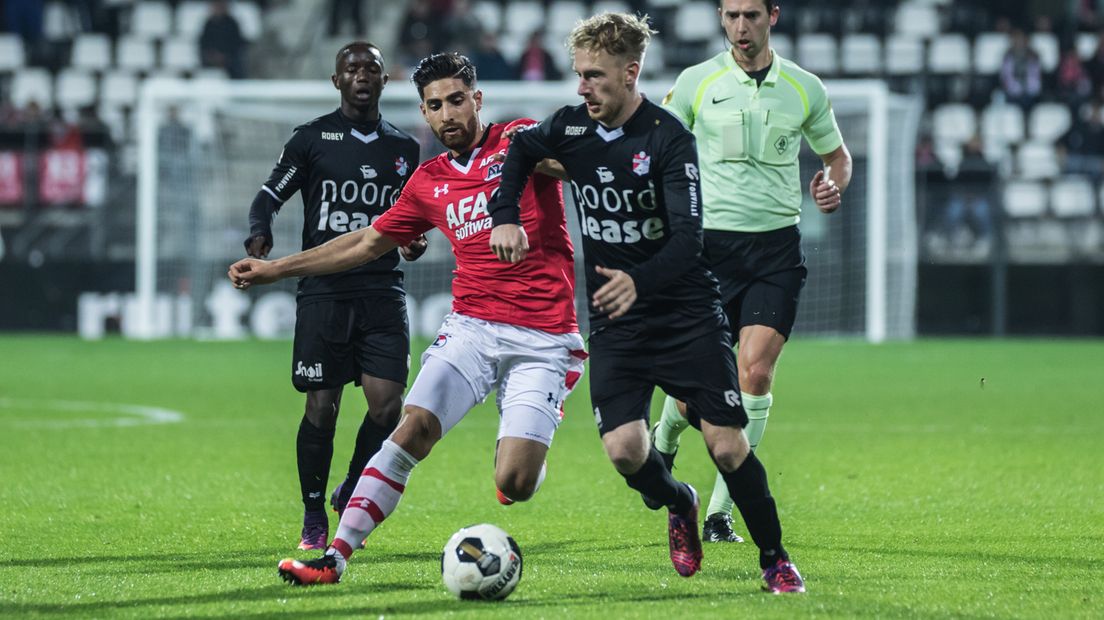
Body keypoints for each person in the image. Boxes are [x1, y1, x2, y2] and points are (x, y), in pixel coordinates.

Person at [229, 52, 585, 586]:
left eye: (457, 101)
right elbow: (367, 242)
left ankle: (523, 436)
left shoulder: (519, 141)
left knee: (516, 483)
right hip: (471, 326)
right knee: (411, 427)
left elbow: (581, 163)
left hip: (543, 335)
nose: (447, 115)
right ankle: (335, 556)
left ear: (478, 99)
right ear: (423, 110)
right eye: (435, 105)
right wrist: (276, 270)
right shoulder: (428, 180)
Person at [488, 12, 804, 593]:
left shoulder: (667, 138)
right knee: (625, 450)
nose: (583, 88)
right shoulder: (571, 128)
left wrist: (642, 280)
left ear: (631, 73)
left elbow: (689, 239)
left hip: (685, 313)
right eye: (579, 75)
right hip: (617, 323)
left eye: (596, 77)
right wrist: (504, 216)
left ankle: (775, 559)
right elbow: (518, 150)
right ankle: (679, 501)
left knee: (728, 447)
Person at [653, 0, 851, 546]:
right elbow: (660, 146)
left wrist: (834, 182)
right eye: (732, 15)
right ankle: (667, 428)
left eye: (752, 16)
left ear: (773, 17)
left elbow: (837, 155)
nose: (742, 27)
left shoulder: (805, 87)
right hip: (707, 252)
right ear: (721, 18)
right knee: (698, 390)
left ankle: (720, 512)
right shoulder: (697, 82)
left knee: (754, 377)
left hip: (775, 253)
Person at [241, 41, 423, 552]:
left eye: (372, 68)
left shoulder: (404, 148)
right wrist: (260, 232)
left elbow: (409, 220)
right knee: (322, 409)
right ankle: (314, 511)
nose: (362, 75)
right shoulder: (311, 139)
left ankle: (352, 486)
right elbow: (268, 196)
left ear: (385, 82)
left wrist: (413, 241)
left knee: (389, 407)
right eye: (352, 68)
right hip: (323, 292)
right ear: (336, 80)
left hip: (382, 289)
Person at [199, 0, 248, 79]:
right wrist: (212, 56)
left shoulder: (232, 24)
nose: (218, 8)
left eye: (221, 5)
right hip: (210, 60)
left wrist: (225, 57)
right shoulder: (208, 24)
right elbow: (203, 43)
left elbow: (237, 44)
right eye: (216, 6)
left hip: (230, 61)